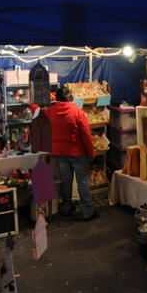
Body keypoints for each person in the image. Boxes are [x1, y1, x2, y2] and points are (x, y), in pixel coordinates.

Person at [44, 86, 97, 221]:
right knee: (82, 180)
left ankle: (66, 208)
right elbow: (86, 135)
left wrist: (31, 104)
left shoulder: (51, 111)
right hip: (77, 152)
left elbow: (38, 112)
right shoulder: (78, 112)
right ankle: (87, 211)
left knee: (66, 180)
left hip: (59, 152)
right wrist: (91, 152)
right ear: (70, 97)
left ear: (57, 98)